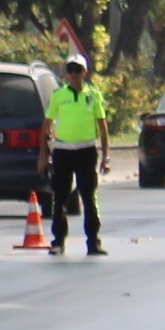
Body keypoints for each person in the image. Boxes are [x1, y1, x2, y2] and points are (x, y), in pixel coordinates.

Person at [47, 51, 110, 256]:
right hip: (63, 151)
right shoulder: (59, 96)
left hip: (86, 151)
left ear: (85, 72)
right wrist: (42, 155)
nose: (73, 74)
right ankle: (58, 241)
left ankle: (93, 241)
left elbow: (102, 128)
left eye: (77, 70)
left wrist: (106, 157)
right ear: (66, 73)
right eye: (70, 70)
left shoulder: (93, 95)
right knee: (60, 198)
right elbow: (46, 125)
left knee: (88, 197)